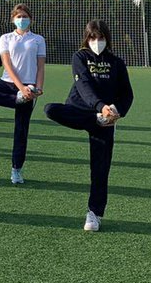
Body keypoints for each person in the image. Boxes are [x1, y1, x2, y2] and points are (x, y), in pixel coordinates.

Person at [44, 20, 135, 232]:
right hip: (82, 111)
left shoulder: (117, 62)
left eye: (101, 38)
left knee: (101, 168)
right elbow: (83, 84)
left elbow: (127, 94)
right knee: (50, 109)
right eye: (93, 38)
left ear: (107, 39)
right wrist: (100, 108)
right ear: (87, 38)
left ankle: (94, 213)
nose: (97, 42)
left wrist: (116, 112)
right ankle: (95, 119)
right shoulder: (80, 57)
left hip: (106, 120)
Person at [0, 4, 47, 185]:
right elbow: (6, 64)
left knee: (21, 131)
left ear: (30, 18)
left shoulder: (38, 39)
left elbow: (40, 66)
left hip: (29, 89)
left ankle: (16, 169)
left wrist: (37, 88)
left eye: (25, 16)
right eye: (18, 16)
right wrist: (19, 90)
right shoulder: (6, 38)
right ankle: (15, 100)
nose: (22, 19)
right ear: (12, 19)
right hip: (7, 84)